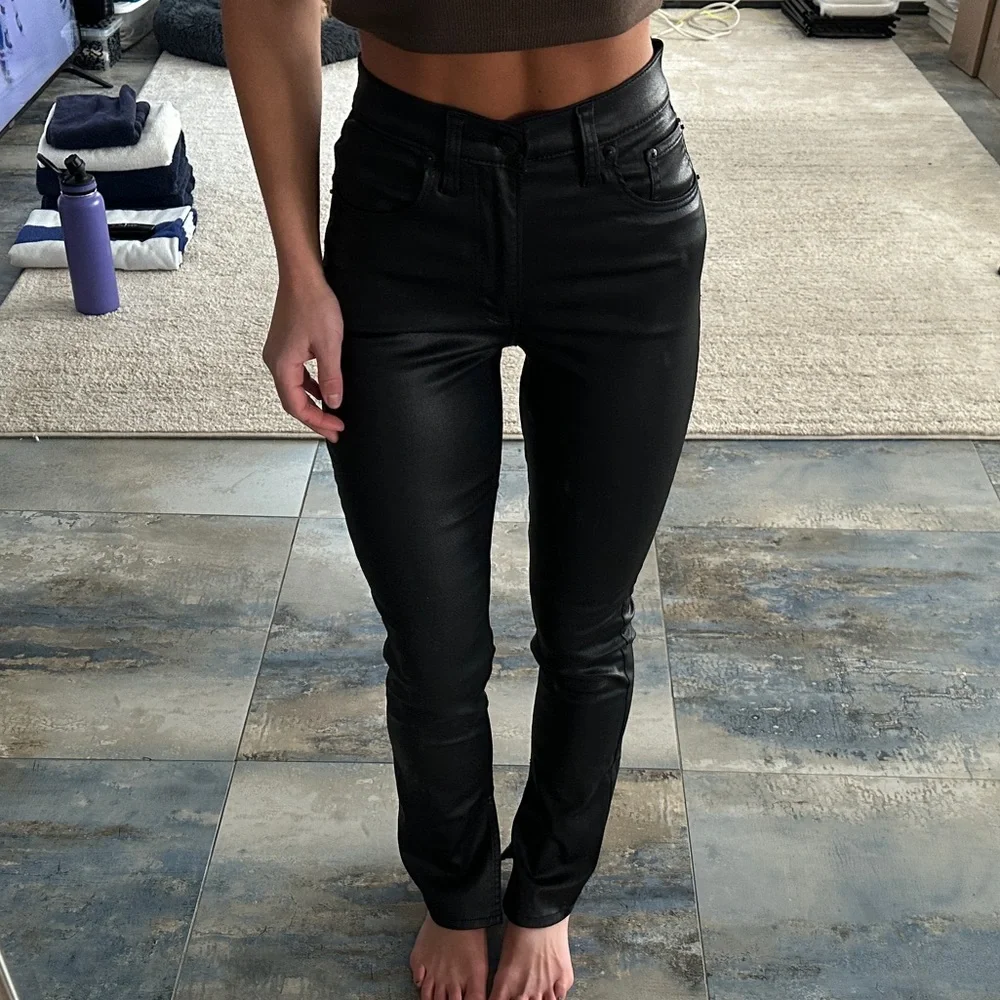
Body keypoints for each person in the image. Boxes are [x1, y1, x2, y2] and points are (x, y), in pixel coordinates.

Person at [221, 2, 707, 997]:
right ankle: (454, 892)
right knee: (433, 645)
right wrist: (297, 268)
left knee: (587, 628)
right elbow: (267, 11)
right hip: (404, 205)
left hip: (620, 197)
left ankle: (546, 894)